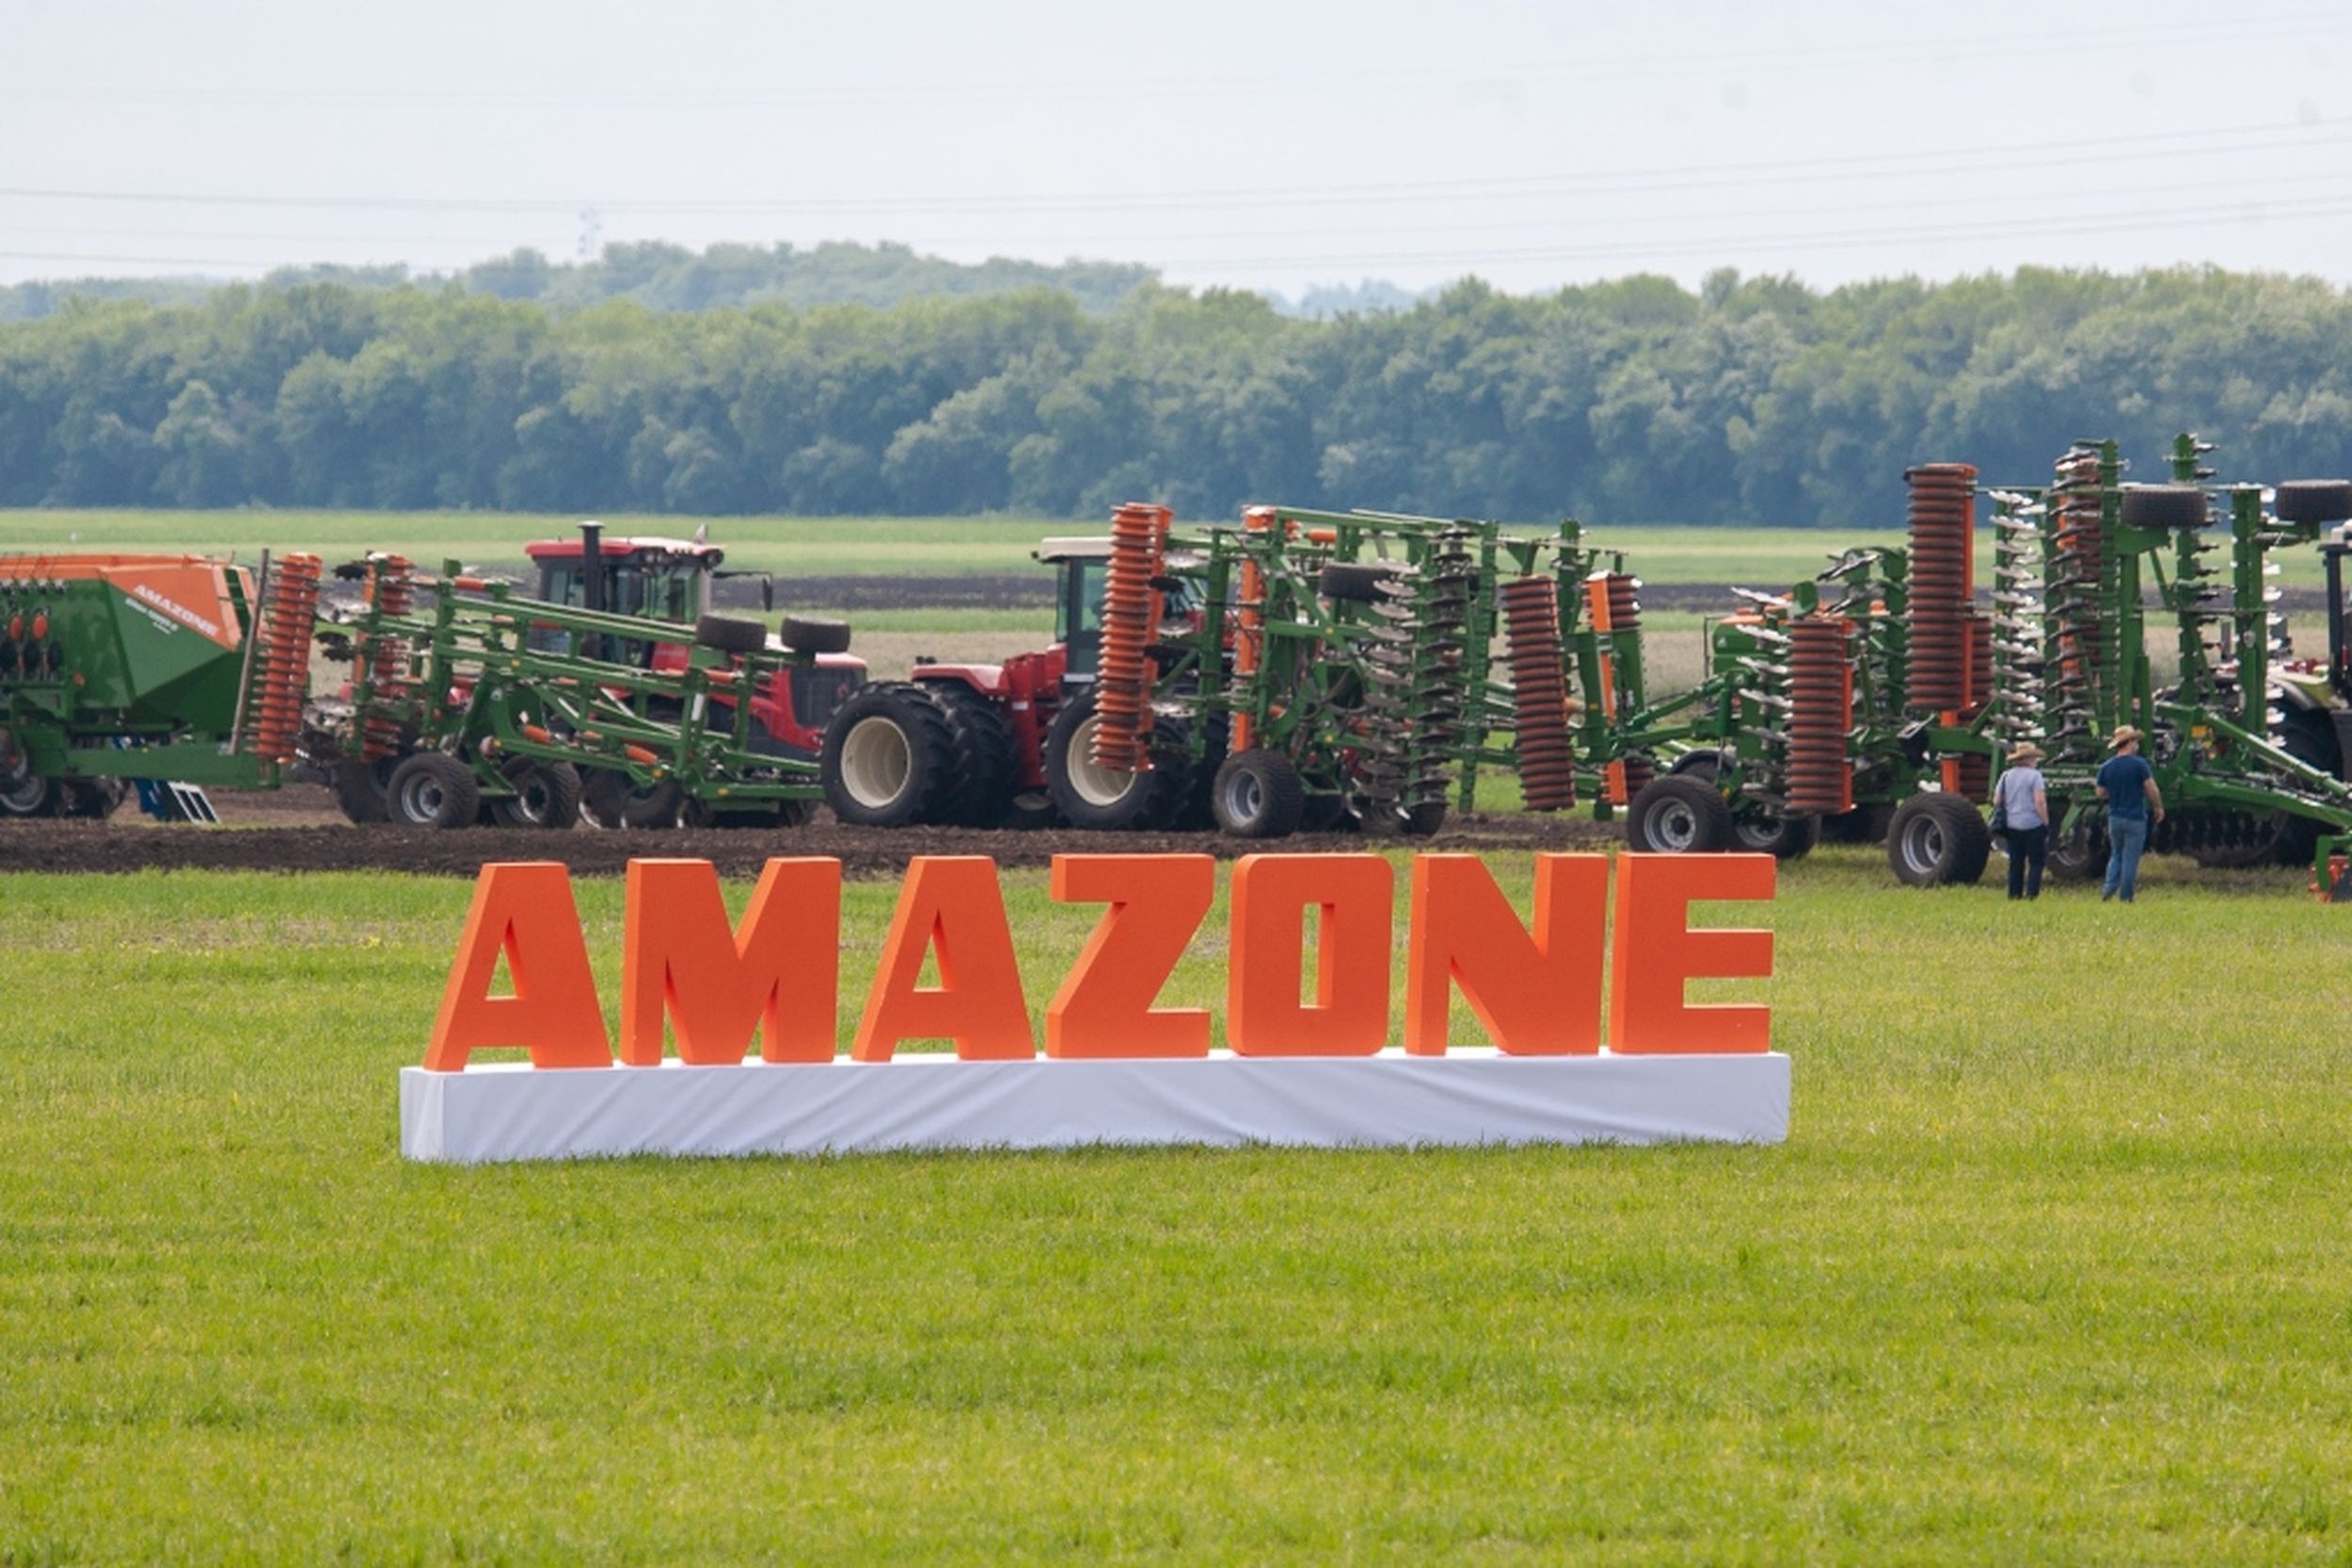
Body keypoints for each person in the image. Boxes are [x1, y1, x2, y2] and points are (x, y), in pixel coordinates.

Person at [2094, 724, 2164, 902]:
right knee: (2130, 858)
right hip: (2135, 817)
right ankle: (2126, 896)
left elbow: (2100, 793)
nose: (2137, 745)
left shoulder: (2107, 767)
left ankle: (2108, 888)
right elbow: (2151, 788)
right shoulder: (2139, 765)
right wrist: (2158, 806)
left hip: (2115, 816)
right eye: (2135, 741)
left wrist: (2115, 792)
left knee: (2116, 854)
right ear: (2130, 743)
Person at [1994, 741, 2050, 900]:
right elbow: (2039, 802)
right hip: (2033, 824)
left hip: (2012, 824)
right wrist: (2045, 821)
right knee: (2036, 862)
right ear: (2030, 759)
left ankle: (2014, 893)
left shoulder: (2006, 776)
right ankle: (2032, 893)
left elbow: (1997, 800)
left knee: (2016, 862)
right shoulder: (2035, 776)